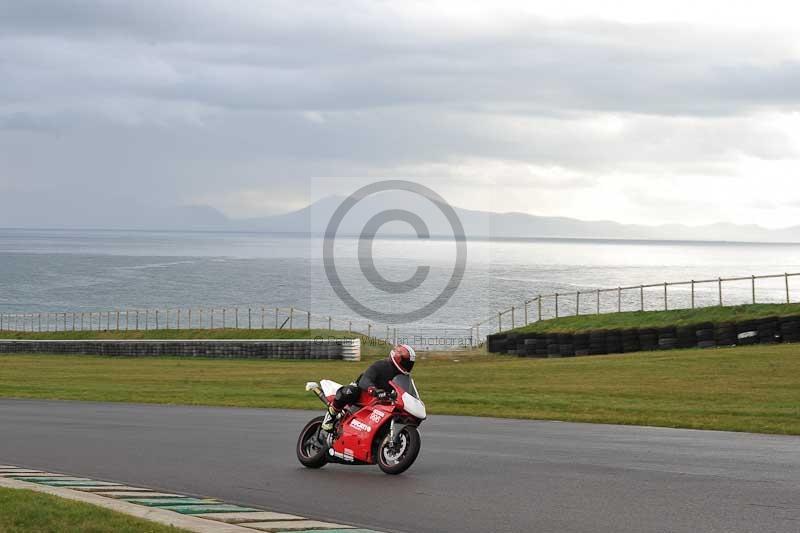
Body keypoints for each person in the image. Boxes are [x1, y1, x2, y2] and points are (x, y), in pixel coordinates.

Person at [320, 344, 416, 432]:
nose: (408, 365)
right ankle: (329, 418)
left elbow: (405, 392)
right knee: (350, 391)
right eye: (406, 362)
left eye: (410, 363)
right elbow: (365, 380)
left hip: (381, 402)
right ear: (398, 358)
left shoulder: (403, 377)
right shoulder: (381, 365)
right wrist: (373, 389)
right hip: (363, 393)